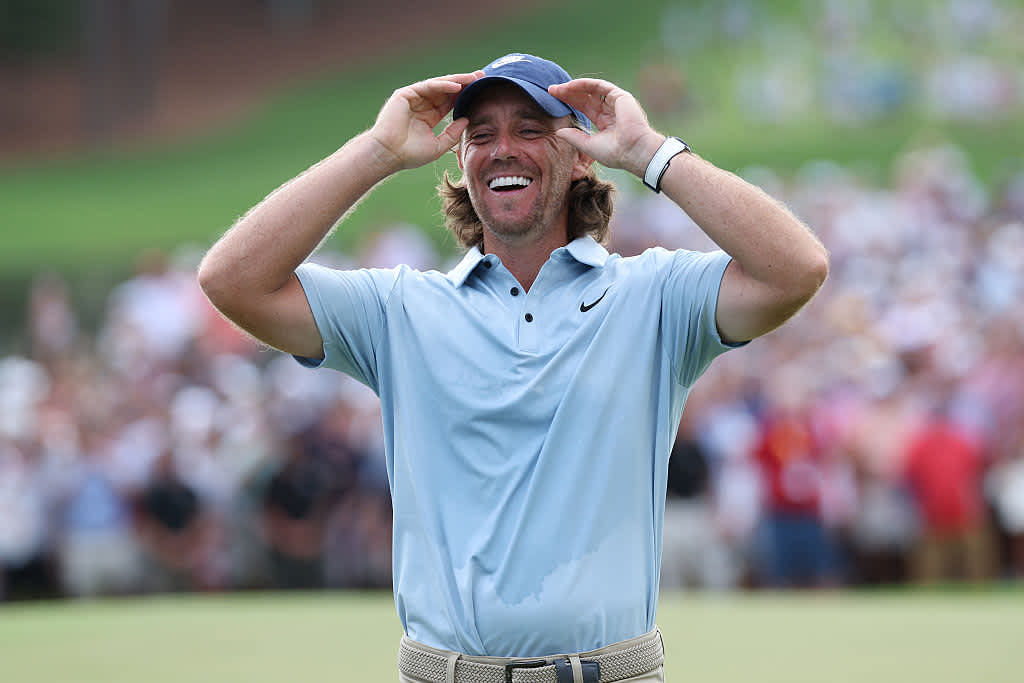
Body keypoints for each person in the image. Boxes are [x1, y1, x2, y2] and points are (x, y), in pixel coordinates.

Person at [199, 53, 828, 682]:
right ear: (460, 162)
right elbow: (233, 281)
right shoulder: (400, 309)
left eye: (531, 129)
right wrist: (377, 153)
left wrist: (646, 151)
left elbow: (795, 269)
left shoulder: (655, 295)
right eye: (481, 135)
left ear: (581, 154)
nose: (503, 149)